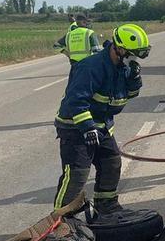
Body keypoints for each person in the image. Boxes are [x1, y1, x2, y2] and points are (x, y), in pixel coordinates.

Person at [52, 24, 150, 214]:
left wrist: (134, 79)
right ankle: (60, 222)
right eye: (131, 54)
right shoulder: (91, 67)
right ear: (119, 49)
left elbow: (129, 95)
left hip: (102, 126)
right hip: (76, 128)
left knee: (111, 163)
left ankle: (107, 207)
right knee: (77, 174)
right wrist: (88, 127)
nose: (134, 59)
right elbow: (76, 100)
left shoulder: (124, 68)